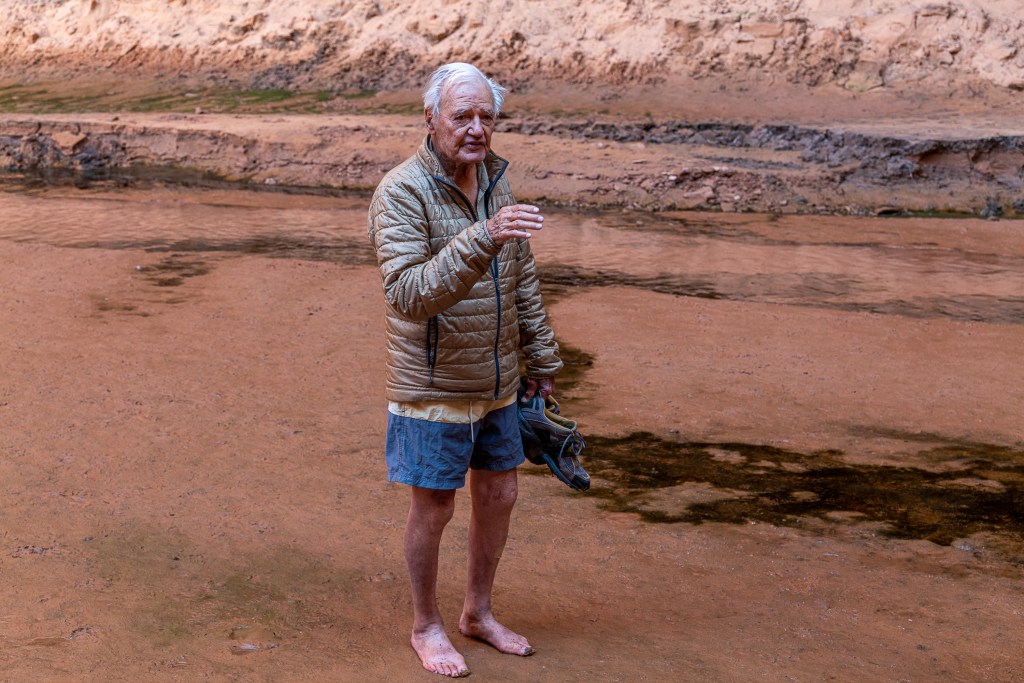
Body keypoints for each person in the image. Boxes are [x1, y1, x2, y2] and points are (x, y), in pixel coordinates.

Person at [367, 62, 562, 678]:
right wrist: (485, 236)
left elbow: (522, 277)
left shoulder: (497, 181)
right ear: (430, 118)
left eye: (486, 116)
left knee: (501, 494)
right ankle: (426, 625)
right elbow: (408, 294)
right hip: (433, 384)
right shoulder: (400, 191)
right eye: (462, 116)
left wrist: (542, 357)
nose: (477, 128)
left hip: (498, 379)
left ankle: (478, 613)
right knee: (435, 507)